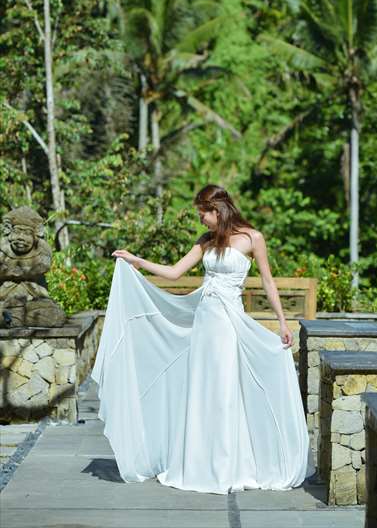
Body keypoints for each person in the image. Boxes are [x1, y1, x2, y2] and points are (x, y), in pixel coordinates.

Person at [91, 184, 315, 494]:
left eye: (203, 214)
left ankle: (227, 466)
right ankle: (199, 463)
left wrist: (282, 322)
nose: (201, 220)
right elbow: (174, 272)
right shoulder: (206, 241)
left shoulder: (253, 238)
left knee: (224, 390)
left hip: (228, 323)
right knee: (202, 389)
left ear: (217, 210)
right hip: (205, 321)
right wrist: (137, 261)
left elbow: (267, 281)